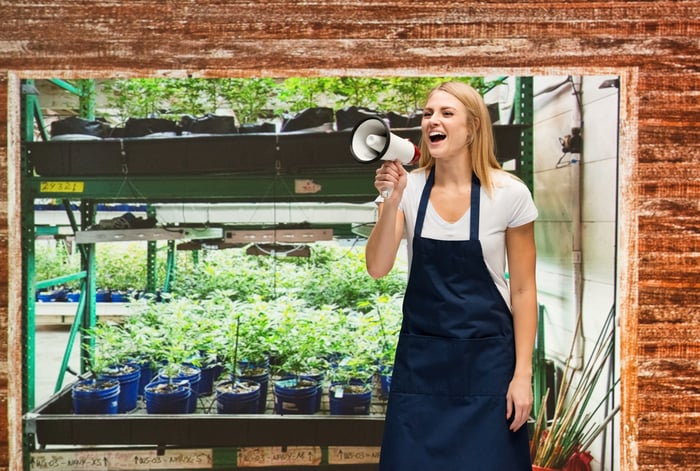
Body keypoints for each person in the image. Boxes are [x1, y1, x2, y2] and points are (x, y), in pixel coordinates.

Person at [365, 81, 538, 470]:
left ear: (473, 127)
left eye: (446, 113)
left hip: (488, 367)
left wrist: (522, 375)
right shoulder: (408, 190)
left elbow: (525, 290)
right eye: (428, 114)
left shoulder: (509, 194)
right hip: (422, 368)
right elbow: (378, 266)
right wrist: (390, 202)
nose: (432, 121)